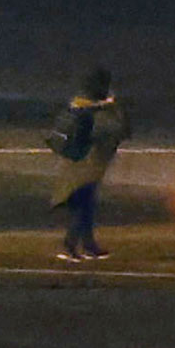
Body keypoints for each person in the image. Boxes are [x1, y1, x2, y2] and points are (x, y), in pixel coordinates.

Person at [48, 66, 130, 262]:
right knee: (83, 206)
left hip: (75, 164)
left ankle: (88, 245)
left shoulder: (77, 106)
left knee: (84, 206)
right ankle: (71, 246)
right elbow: (119, 131)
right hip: (87, 166)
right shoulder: (99, 113)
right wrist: (114, 108)